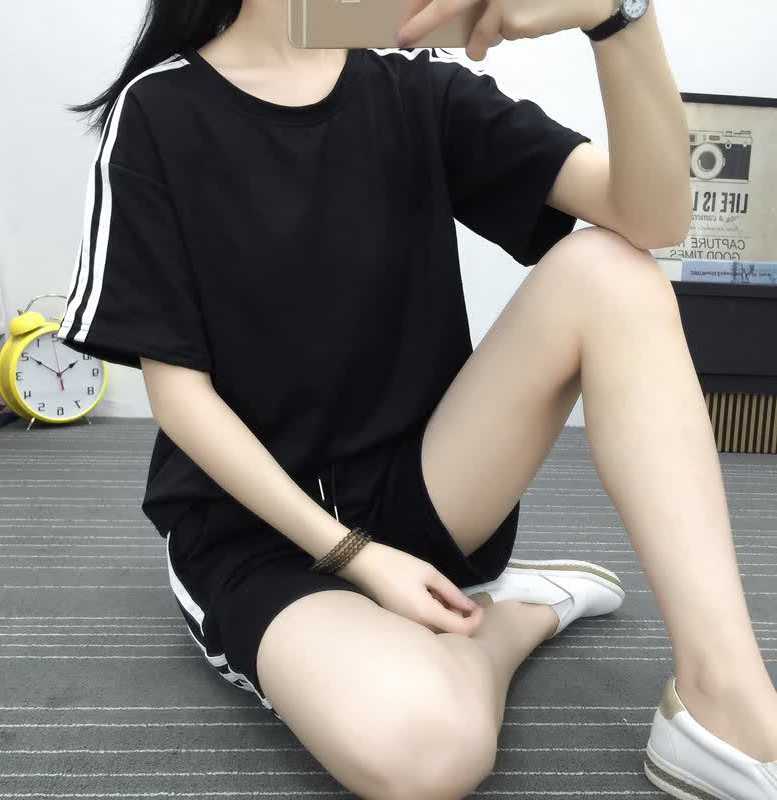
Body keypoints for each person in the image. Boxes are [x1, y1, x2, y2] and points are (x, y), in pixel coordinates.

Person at [56, 0, 777, 798]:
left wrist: (618, 18)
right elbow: (181, 400)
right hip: (256, 537)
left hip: (421, 490)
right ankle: (507, 625)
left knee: (615, 274)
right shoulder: (160, 112)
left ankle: (723, 701)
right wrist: (354, 556)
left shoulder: (409, 85)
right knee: (432, 751)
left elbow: (653, 217)